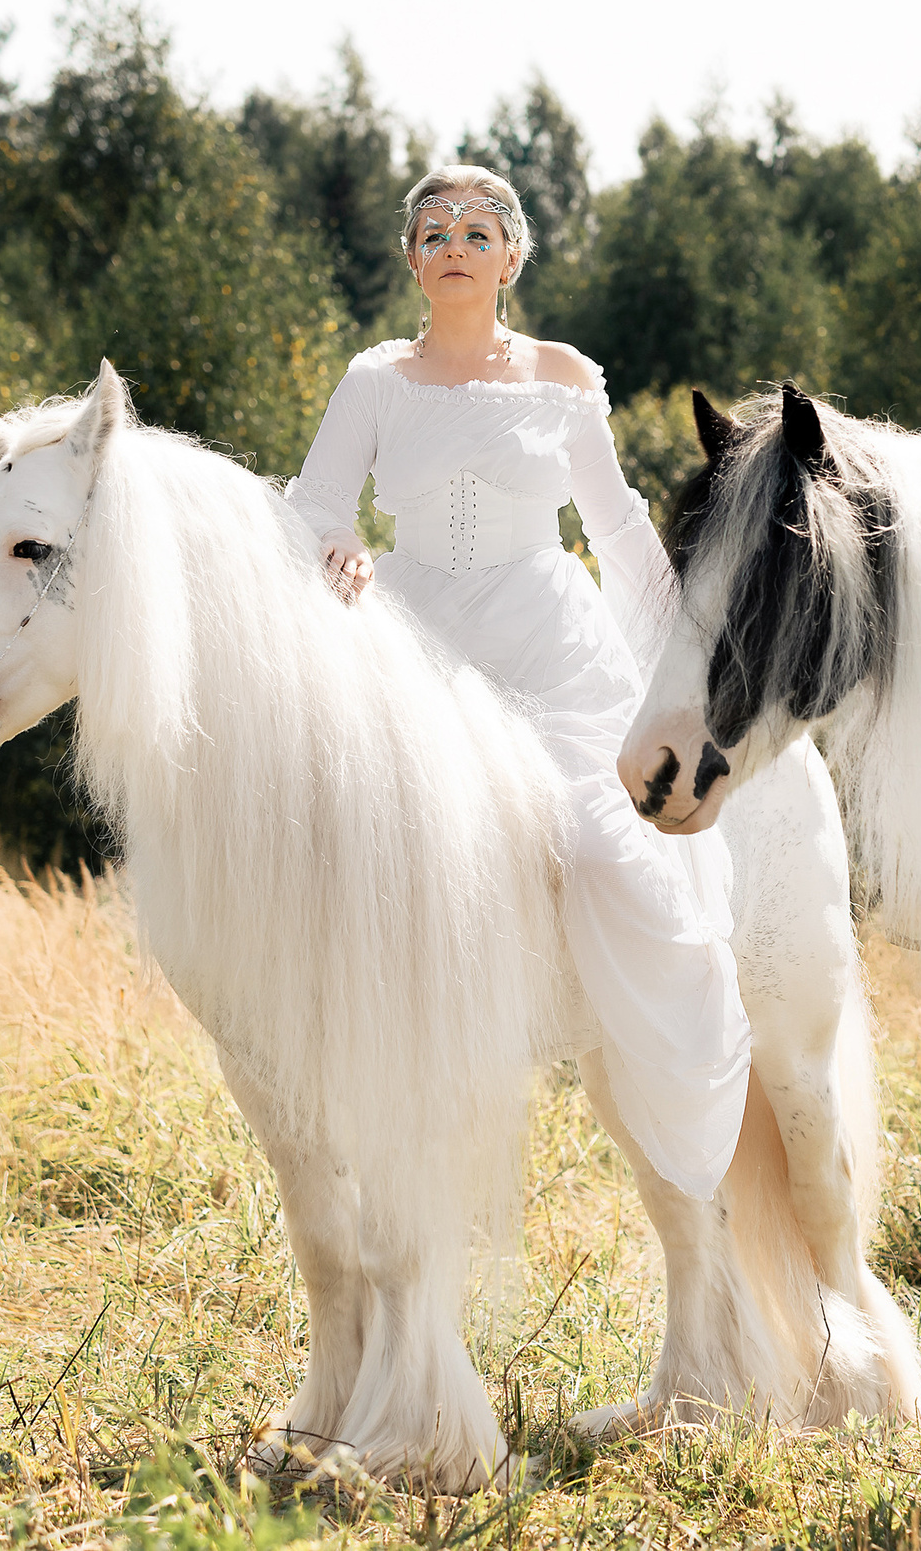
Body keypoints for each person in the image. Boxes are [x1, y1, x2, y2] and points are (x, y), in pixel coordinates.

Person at [286, 165, 752, 1200]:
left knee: (600, 842)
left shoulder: (563, 376)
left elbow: (615, 524)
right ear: (412, 259)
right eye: (434, 230)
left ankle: (629, 1039)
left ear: (511, 257)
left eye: (478, 229)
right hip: (415, 635)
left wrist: (687, 644)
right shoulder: (374, 379)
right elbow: (312, 502)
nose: (455, 243)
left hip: (548, 638)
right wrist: (339, 544)